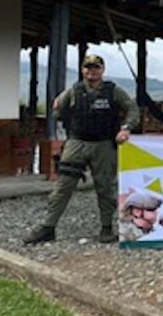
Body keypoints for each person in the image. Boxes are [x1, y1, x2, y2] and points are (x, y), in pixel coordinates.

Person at [24, 53, 138, 244]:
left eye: (96, 67)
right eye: (88, 67)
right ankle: (48, 227)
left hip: (104, 145)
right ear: (82, 70)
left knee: (106, 187)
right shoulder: (74, 91)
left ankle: (107, 228)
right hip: (76, 143)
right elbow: (58, 111)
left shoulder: (113, 91)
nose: (91, 71)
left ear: (102, 70)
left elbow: (132, 109)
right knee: (63, 186)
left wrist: (126, 129)